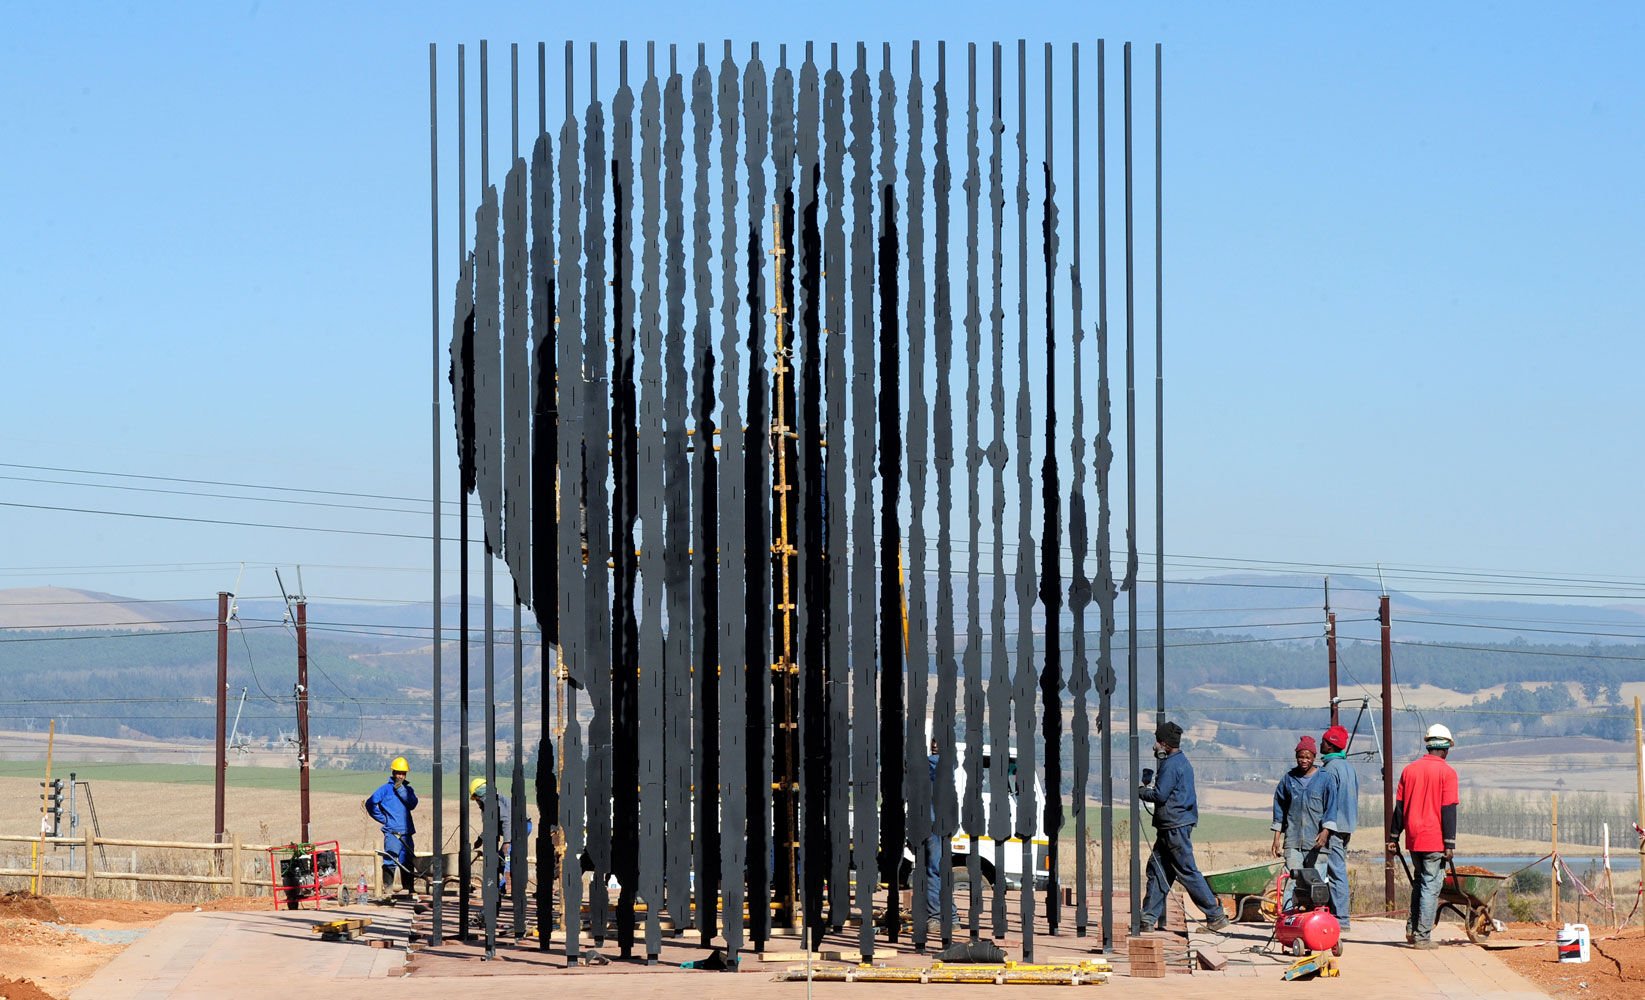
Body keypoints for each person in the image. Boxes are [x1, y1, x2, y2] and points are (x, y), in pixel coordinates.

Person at [1139, 721, 1231, 932]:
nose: (1154, 746)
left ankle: (1215, 915)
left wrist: (1142, 791)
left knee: (1187, 871)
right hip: (1172, 825)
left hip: (1175, 826)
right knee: (1158, 870)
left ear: (1164, 744)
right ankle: (1148, 918)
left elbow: (1160, 795)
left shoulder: (1171, 765)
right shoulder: (1179, 762)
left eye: (1157, 742)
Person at [1386, 723, 1459, 949]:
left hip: (1414, 838)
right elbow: (1448, 810)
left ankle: (1411, 929)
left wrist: (1394, 836)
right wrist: (1449, 842)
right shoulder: (1448, 773)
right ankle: (1422, 937)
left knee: (1419, 882)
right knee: (1430, 886)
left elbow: (1399, 807)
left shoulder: (1409, 770)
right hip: (1435, 838)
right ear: (1445, 748)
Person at [1270, 735, 1332, 909]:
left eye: (1308, 757)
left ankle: (1315, 920)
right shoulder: (1288, 780)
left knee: (1317, 885)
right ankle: (1287, 920)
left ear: (1314, 757)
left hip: (1317, 843)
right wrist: (1276, 839)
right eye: (1300, 756)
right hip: (1293, 841)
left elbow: (1331, 810)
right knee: (1291, 881)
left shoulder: (1325, 779)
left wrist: (1325, 832)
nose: (1304, 760)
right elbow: (1279, 810)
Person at [1316, 724, 1359, 928]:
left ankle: (1341, 919)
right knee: (1337, 870)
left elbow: (1327, 801)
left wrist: (1325, 827)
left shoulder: (1329, 770)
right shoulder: (1348, 768)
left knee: (1335, 872)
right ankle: (1336, 914)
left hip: (1333, 827)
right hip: (1347, 825)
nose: (1320, 744)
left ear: (1331, 745)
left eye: (1324, 741)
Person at [364, 756, 418, 894]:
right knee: (390, 861)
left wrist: (401, 789)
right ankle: (388, 891)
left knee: (408, 862)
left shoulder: (408, 790)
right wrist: (383, 819)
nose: (400, 776)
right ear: (393, 773)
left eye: (403, 773)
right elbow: (370, 803)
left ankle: (409, 890)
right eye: (398, 772)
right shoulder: (385, 789)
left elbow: (412, 804)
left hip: (406, 833)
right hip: (392, 833)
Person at [469, 778, 517, 894]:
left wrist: (507, 841)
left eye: (475, 798)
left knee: (507, 857)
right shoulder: (489, 801)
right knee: (501, 858)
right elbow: (491, 824)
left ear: (478, 794)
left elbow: (505, 819)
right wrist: (481, 838)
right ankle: (506, 885)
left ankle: (503, 888)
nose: (476, 802)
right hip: (514, 828)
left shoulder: (490, 800)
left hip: (520, 826)